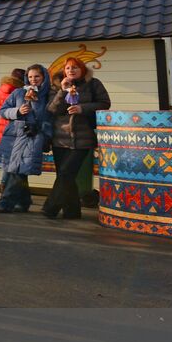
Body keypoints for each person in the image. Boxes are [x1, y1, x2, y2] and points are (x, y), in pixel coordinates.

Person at [44, 57, 111, 220]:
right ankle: (72, 212)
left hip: (83, 137)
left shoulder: (93, 83)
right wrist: (62, 90)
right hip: (60, 138)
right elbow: (52, 109)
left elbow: (104, 103)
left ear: (82, 69)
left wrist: (83, 108)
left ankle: (50, 208)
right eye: (68, 68)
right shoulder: (57, 84)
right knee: (65, 176)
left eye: (75, 67)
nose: (71, 70)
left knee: (67, 173)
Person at [0, 65, 52, 213]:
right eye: (30, 77)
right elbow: (3, 111)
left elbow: (51, 117)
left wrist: (45, 135)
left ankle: (5, 203)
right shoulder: (19, 93)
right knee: (19, 169)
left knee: (19, 169)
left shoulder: (49, 95)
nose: (33, 80)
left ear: (44, 77)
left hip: (34, 136)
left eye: (37, 76)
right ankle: (24, 202)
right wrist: (17, 111)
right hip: (15, 135)